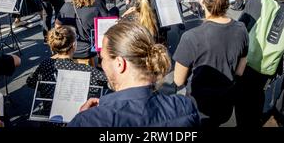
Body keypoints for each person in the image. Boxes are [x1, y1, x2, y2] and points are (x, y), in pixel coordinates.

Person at [68, 21, 200, 127]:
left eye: (103, 58)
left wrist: (83, 119)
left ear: (119, 64)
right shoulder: (184, 107)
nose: (101, 64)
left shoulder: (90, 120)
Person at [173, 0, 248, 127]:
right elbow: (240, 71)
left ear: (202, 1)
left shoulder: (190, 37)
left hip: (198, 108)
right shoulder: (242, 29)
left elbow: (178, 80)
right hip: (224, 105)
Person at [26, 26, 107, 123]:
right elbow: (108, 81)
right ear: (74, 45)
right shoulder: (86, 70)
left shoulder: (45, 64)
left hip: (49, 118)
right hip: (77, 120)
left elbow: (31, 82)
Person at [56, 0, 99, 64]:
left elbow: (57, 26)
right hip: (86, 50)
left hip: (66, 48)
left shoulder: (66, 6)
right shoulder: (94, 10)